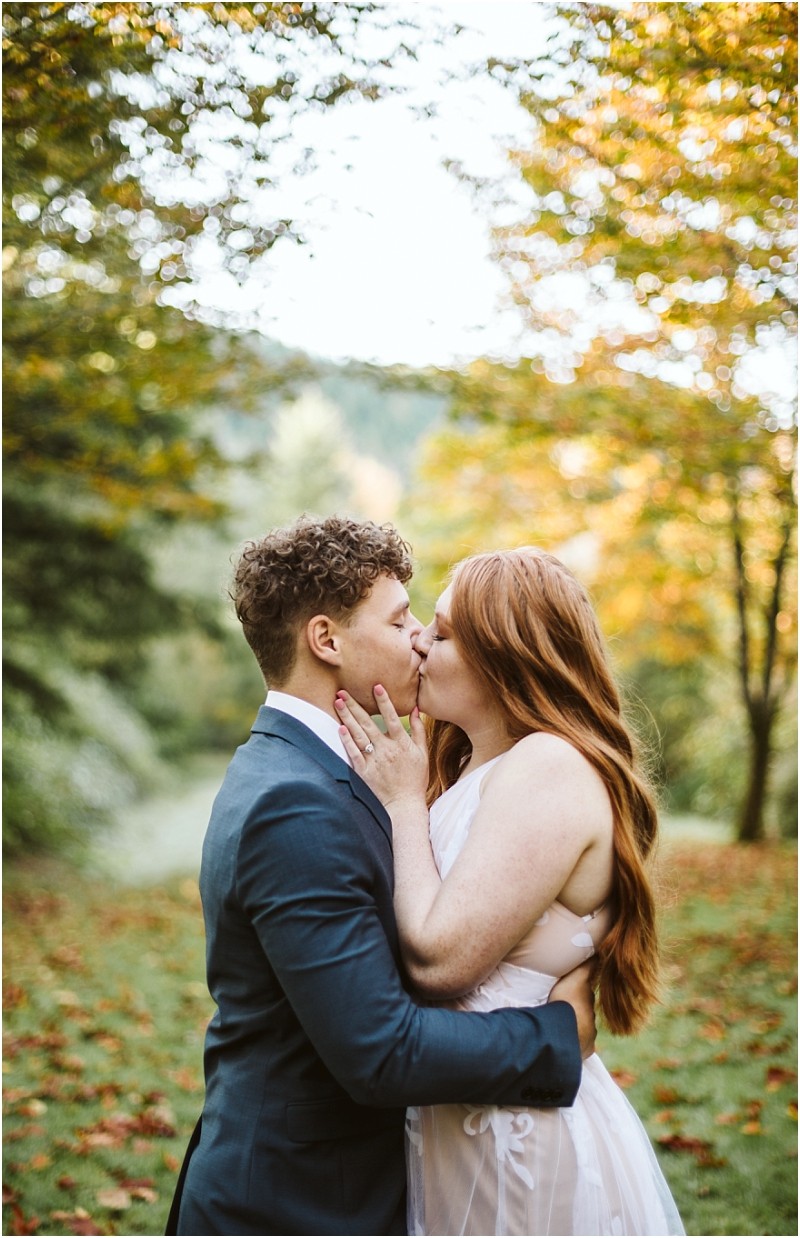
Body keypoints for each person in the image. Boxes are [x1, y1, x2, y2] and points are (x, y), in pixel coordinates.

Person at [166, 517, 597, 1238]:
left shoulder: (307, 767)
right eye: (399, 621)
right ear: (327, 640)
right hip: (297, 1207)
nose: (419, 638)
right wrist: (557, 1033)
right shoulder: (295, 802)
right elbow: (381, 1053)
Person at [336, 545, 685, 1236]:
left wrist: (402, 803)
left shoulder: (549, 765)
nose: (419, 642)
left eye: (442, 633)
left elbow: (440, 961)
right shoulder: (477, 766)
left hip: (519, 1138)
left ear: (506, 657)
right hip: (461, 1118)